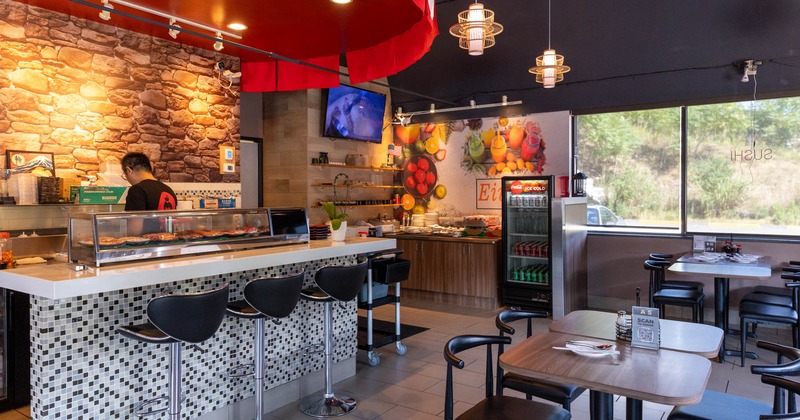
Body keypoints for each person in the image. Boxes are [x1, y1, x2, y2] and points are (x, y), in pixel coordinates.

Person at [120, 152, 177, 234]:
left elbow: (134, 230)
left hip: (146, 245)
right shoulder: (168, 190)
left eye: (125, 175)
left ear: (129, 170)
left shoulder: (137, 190)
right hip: (167, 243)